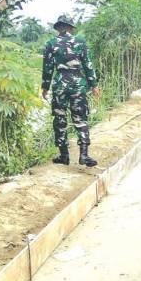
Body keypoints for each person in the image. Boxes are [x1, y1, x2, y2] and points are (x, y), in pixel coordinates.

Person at [42, 15, 100, 167]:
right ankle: (84, 155)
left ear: (59, 27)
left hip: (60, 84)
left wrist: (45, 87)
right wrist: (93, 84)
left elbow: (47, 68)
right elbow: (88, 65)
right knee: (80, 118)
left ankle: (64, 155)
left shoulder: (51, 43)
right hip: (78, 85)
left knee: (60, 119)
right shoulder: (80, 42)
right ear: (70, 27)